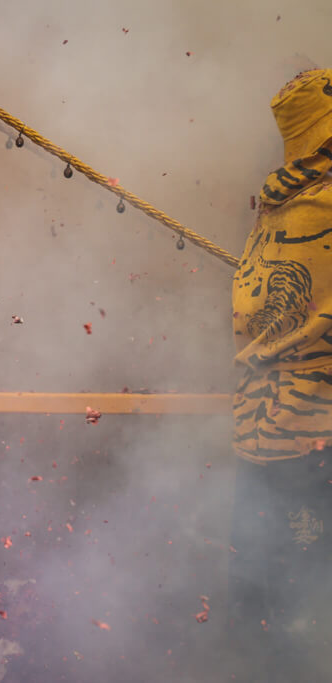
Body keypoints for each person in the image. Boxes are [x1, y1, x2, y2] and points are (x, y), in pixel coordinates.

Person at [229, 67, 332, 682]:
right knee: (305, 591)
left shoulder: (275, 201)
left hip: (260, 421)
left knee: (260, 578)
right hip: (314, 428)